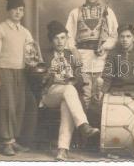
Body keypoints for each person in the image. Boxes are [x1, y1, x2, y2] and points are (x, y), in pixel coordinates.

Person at [39, 20, 100, 161]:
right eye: (56, 38)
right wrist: (48, 73)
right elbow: (37, 79)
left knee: (68, 100)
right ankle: (84, 126)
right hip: (50, 94)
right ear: (51, 40)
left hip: (67, 93)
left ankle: (62, 150)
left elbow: (79, 79)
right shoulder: (45, 55)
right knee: (69, 90)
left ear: (67, 38)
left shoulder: (72, 55)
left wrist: (72, 77)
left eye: (62, 38)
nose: (60, 42)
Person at [65, 0, 118, 114]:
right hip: (82, 59)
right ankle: (83, 131)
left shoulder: (108, 12)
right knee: (85, 96)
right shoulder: (75, 13)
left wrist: (104, 46)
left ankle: (98, 130)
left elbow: (114, 36)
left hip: (101, 59)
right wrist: (74, 50)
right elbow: (68, 36)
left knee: (99, 95)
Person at [0, 0, 33, 156]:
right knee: (8, 106)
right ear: (9, 10)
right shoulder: (1, 29)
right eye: (14, 9)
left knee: (19, 106)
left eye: (21, 10)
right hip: (5, 71)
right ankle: (6, 142)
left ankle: (13, 140)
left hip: (21, 73)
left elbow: (31, 53)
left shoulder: (25, 32)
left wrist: (33, 61)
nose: (18, 12)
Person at [99, 24, 134, 105]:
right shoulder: (112, 54)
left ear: (133, 37)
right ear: (118, 38)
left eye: (128, 36)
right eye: (122, 36)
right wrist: (102, 91)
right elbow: (107, 77)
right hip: (116, 93)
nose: (125, 39)